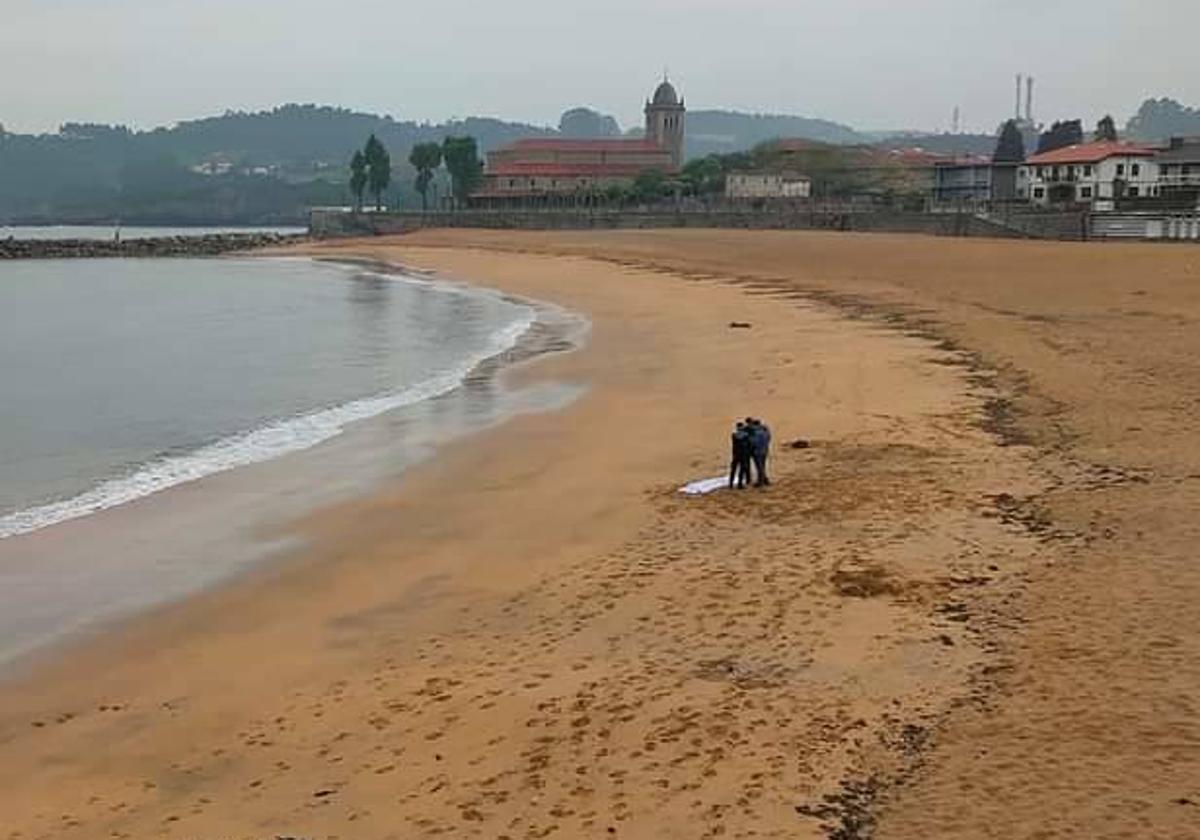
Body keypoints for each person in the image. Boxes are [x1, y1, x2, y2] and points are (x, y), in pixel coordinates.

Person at [747, 417, 772, 487]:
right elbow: (769, 437)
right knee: (763, 466)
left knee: (759, 467)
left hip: (757, 452)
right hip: (765, 450)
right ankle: (765, 479)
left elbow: (753, 442)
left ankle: (761, 481)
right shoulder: (765, 433)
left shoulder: (755, 434)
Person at [729, 421, 753, 489]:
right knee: (741, 470)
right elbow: (749, 445)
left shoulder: (734, 435)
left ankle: (731, 483)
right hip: (743, 454)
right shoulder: (746, 435)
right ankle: (740, 484)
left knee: (733, 469)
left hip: (736, 454)